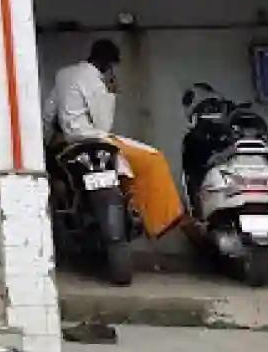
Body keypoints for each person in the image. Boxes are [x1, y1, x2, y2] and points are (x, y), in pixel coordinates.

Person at [45, 40, 184, 238]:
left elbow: (48, 113)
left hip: (68, 142)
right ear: (106, 62)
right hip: (95, 139)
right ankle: (161, 221)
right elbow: (103, 125)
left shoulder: (63, 74)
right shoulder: (97, 82)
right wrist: (111, 93)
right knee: (153, 159)